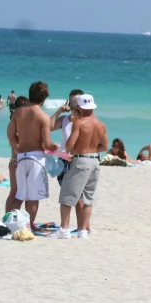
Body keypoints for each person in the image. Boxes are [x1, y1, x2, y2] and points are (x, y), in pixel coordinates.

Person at [56, 95, 108, 239]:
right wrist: (91, 149)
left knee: (68, 196)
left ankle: (64, 230)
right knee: (88, 198)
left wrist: (80, 150)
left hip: (81, 161)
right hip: (95, 161)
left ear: (79, 107)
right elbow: (104, 146)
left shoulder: (79, 123)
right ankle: (83, 231)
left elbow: (69, 145)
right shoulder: (101, 124)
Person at [6, 82, 58, 226]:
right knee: (33, 197)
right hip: (37, 158)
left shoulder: (17, 112)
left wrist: (17, 148)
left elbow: (11, 135)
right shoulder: (43, 116)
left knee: (18, 194)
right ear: (44, 98)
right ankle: (28, 227)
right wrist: (55, 147)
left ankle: (10, 224)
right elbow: (47, 144)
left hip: (21, 157)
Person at [4, 96, 30, 213]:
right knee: (16, 193)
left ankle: (11, 218)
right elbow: (17, 144)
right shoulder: (17, 124)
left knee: (16, 192)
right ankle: (10, 218)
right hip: (17, 162)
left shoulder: (14, 122)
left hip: (15, 161)